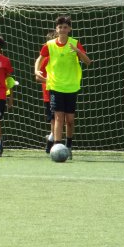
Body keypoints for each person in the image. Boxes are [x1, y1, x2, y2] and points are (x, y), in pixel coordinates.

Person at [34, 16, 91, 159]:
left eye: (65, 27)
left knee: (70, 120)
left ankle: (69, 146)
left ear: (69, 29)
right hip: (55, 85)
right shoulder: (49, 44)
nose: (62, 29)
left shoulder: (75, 43)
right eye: (60, 27)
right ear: (56, 29)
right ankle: (57, 147)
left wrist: (78, 52)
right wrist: (36, 70)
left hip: (71, 87)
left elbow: (88, 61)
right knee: (58, 117)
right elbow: (39, 59)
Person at [35, 31, 57, 154]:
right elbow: (38, 78)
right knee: (54, 120)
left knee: (61, 119)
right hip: (49, 94)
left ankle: (51, 139)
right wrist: (51, 81)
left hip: (62, 91)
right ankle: (52, 144)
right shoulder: (45, 59)